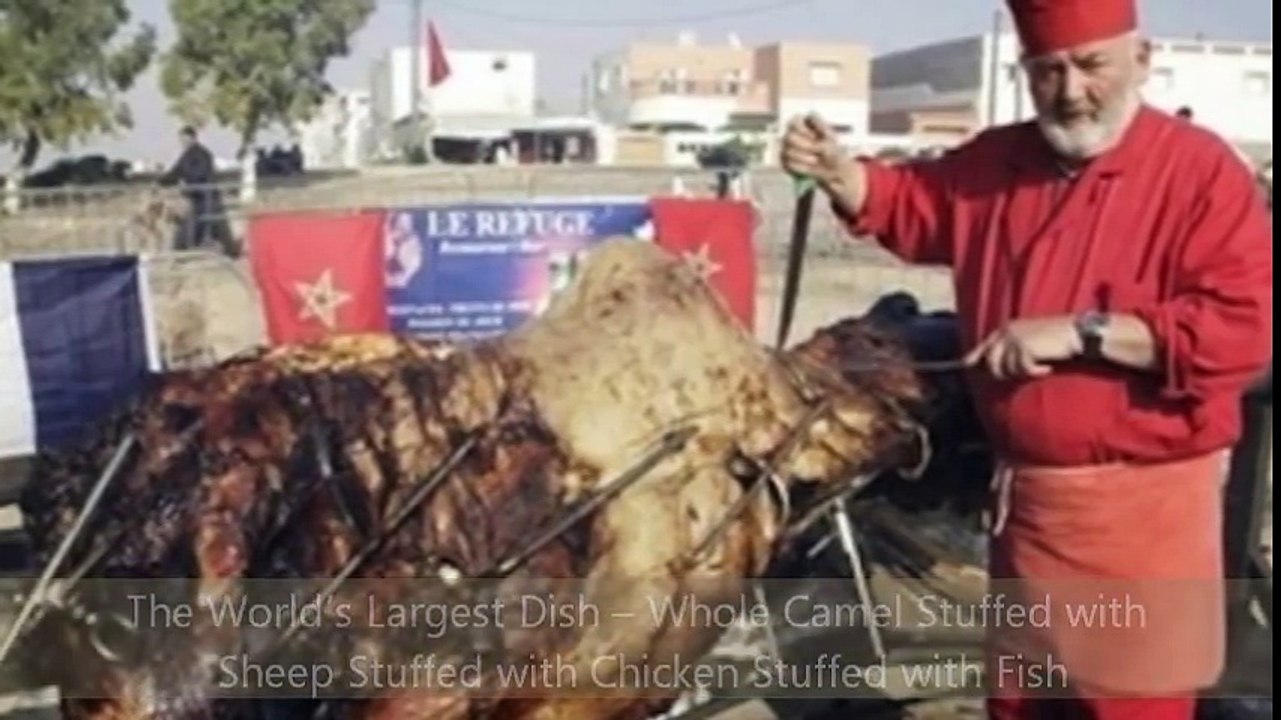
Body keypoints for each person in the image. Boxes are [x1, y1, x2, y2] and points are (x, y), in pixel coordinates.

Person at [781, 1, 1272, 719]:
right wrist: (835, 170)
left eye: (1090, 65)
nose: (1070, 91)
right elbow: (910, 203)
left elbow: (1242, 330)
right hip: (1029, 516)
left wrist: (1083, 332)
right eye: (1048, 71)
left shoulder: (1199, 174)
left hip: (1143, 523)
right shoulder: (995, 163)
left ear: (1140, 58)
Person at [159, 126, 236, 255]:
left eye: (184, 139)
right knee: (189, 227)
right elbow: (176, 172)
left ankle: (222, 251)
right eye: (181, 139)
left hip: (207, 197)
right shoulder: (186, 155)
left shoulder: (203, 154)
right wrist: (161, 182)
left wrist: (185, 180)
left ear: (192, 138)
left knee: (211, 226)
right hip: (194, 197)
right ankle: (183, 251)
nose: (182, 142)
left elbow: (200, 174)